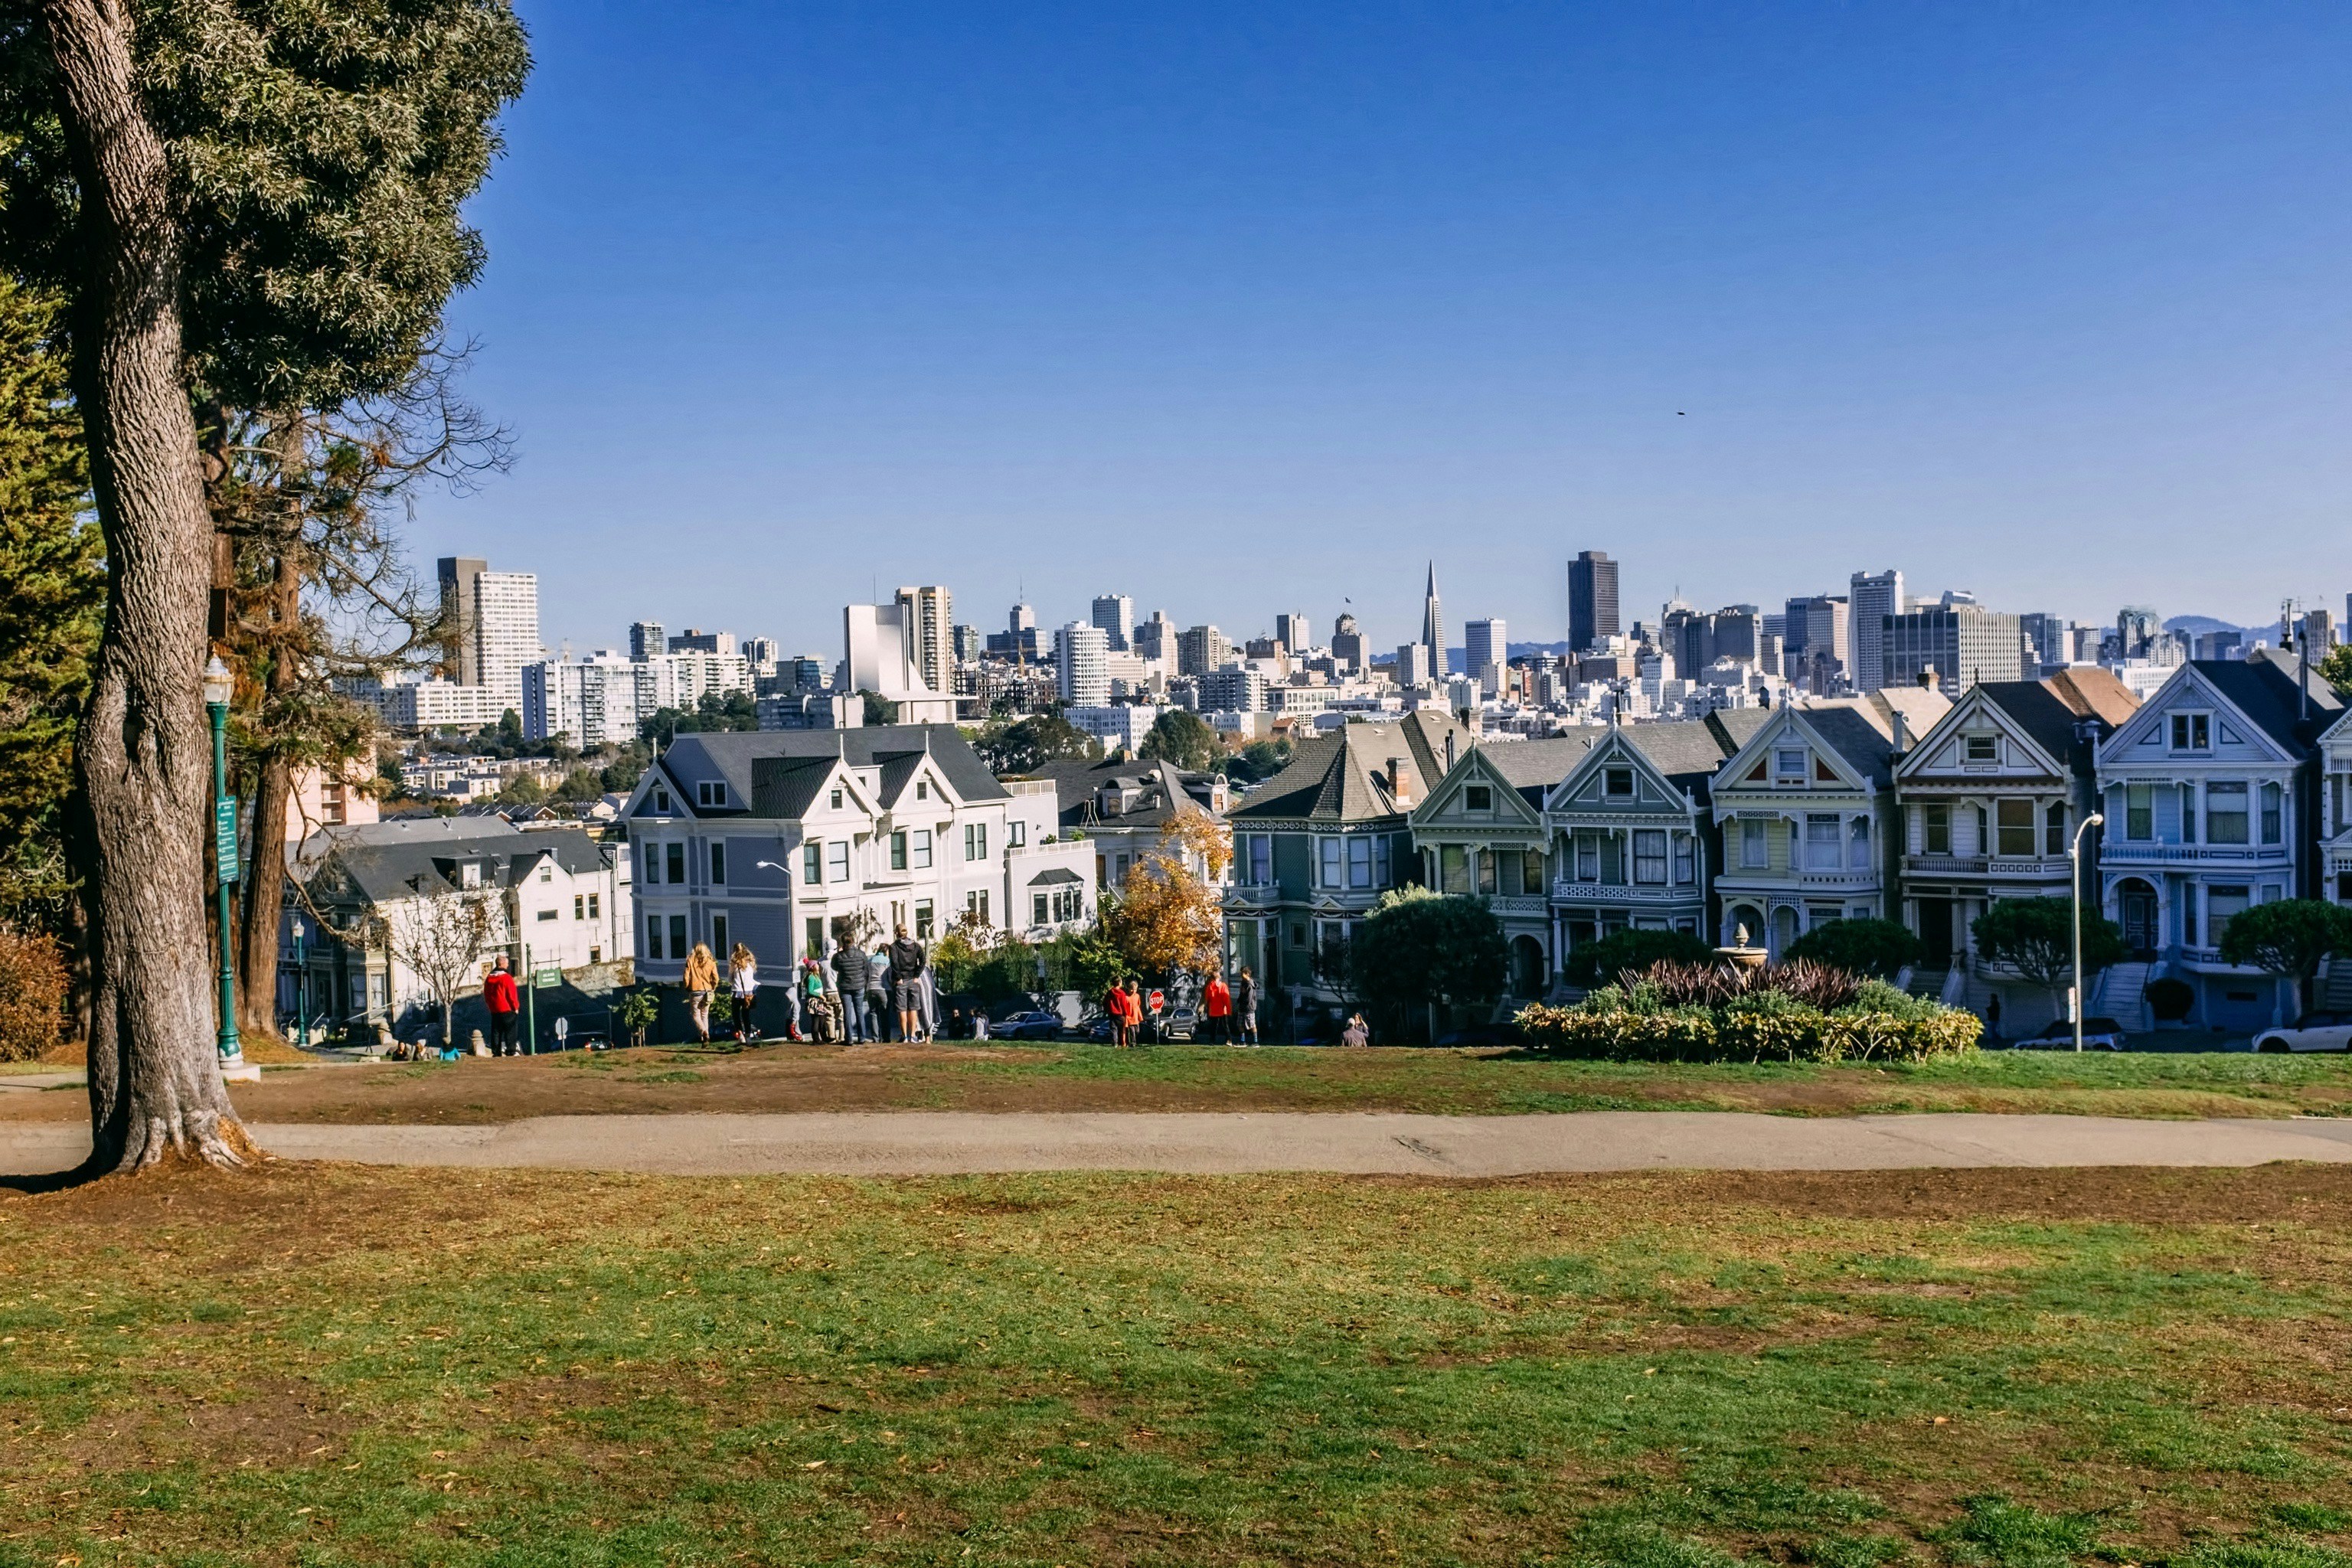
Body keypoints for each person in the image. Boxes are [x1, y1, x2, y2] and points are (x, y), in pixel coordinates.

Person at [887, 924, 928, 1044]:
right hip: (913, 980)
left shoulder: (894, 947)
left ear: (896, 933)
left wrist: (899, 977)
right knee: (914, 1008)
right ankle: (913, 1035)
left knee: (902, 1009)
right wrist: (917, 975)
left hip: (901, 981)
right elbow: (923, 960)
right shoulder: (915, 946)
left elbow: (894, 963)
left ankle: (904, 1036)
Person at [831, 939, 872, 1043]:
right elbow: (866, 970)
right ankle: (862, 1038)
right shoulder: (861, 954)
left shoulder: (838, 956)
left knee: (847, 1013)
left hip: (844, 987)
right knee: (859, 1012)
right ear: (853, 942)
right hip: (859, 985)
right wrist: (865, 984)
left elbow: (834, 967)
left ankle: (848, 1039)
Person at [482, 956, 521, 1056]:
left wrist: (490, 1006)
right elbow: (512, 994)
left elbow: (486, 994)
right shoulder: (506, 978)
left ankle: (496, 1052)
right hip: (507, 1008)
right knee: (511, 1031)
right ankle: (511, 1050)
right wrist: (515, 1007)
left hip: (495, 1010)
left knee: (496, 1032)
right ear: (502, 964)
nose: (508, 965)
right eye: (506, 963)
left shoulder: (489, 978)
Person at [682, 942, 719, 1043]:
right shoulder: (711, 962)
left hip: (695, 991)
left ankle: (704, 1032)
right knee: (704, 1015)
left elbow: (686, 976)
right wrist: (713, 987)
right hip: (707, 991)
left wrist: (687, 986)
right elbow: (716, 978)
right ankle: (705, 1038)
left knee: (696, 1015)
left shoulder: (690, 960)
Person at [728, 943, 760, 1044]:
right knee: (746, 1015)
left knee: (736, 1014)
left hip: (737, 992)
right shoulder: (750, 962)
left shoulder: (734, 963)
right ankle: (748, 1037)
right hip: (748, 992)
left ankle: (740, 1035)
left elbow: (730, 978)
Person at [866, 939, 893, 1042]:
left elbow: (866, 975)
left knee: (873, 1014)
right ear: (886, 951)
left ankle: (875, 1038)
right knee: (885, 1015)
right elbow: (890, 977)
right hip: (884, 989)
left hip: (871, 988)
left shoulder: (870, 961)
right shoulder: (887, 961)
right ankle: (886, 1038)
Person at [1203, 970, 1233, 1045]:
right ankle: (1228, 1040)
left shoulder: (1210, 986)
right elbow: (1227, 999)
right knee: (1225, 1026)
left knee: (1213, 1026)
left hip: (1213, 1009)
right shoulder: (1223, 986)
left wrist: (1206, 1007)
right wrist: (1229, 1010)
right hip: (1223, 1010)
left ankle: (1212, 1041)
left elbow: (1207, 998)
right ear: (1219, 977)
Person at [1234, 966, 1259, 1046]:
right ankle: (1243, 1041)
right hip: (1242, 1007)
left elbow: (1249, 998)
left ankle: (1256, 1042)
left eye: (1243, 973)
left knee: (1251, 1024)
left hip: (1249, 1008)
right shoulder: (1243, 983)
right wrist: (1238, 1002)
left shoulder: (1250, 985)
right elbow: (1241, 994)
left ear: (1247, 974)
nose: (1241, 975)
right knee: (1240, 1024)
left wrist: (1244, 1005)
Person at [1105, 977, 1132, 1048]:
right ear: (1120, 983)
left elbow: (1106, 1002)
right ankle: (1122, 1043)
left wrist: (1107, 1010)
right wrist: (1125, 1013)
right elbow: (1123, 1004)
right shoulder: (1122, 993)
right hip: (1120, 1014)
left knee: (1113, 1029)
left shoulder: (1110, 992)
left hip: (1112, 1013)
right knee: (1121, 1030)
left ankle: (1114, 1043)